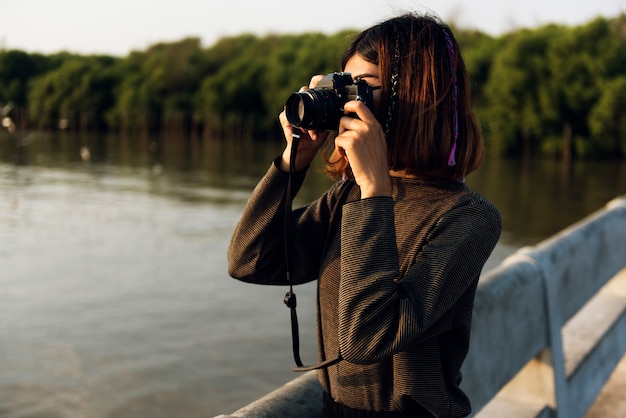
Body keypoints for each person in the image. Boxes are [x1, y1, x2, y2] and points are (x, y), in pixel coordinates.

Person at [228, 13, 502, 418]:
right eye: (343, 86)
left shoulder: (468, 218)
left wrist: (375, 189)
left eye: (362, 89)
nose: (347, 103)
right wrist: (293, 161)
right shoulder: (349, 196)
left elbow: (367, 338)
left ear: (416, 98)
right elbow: (250, 259)